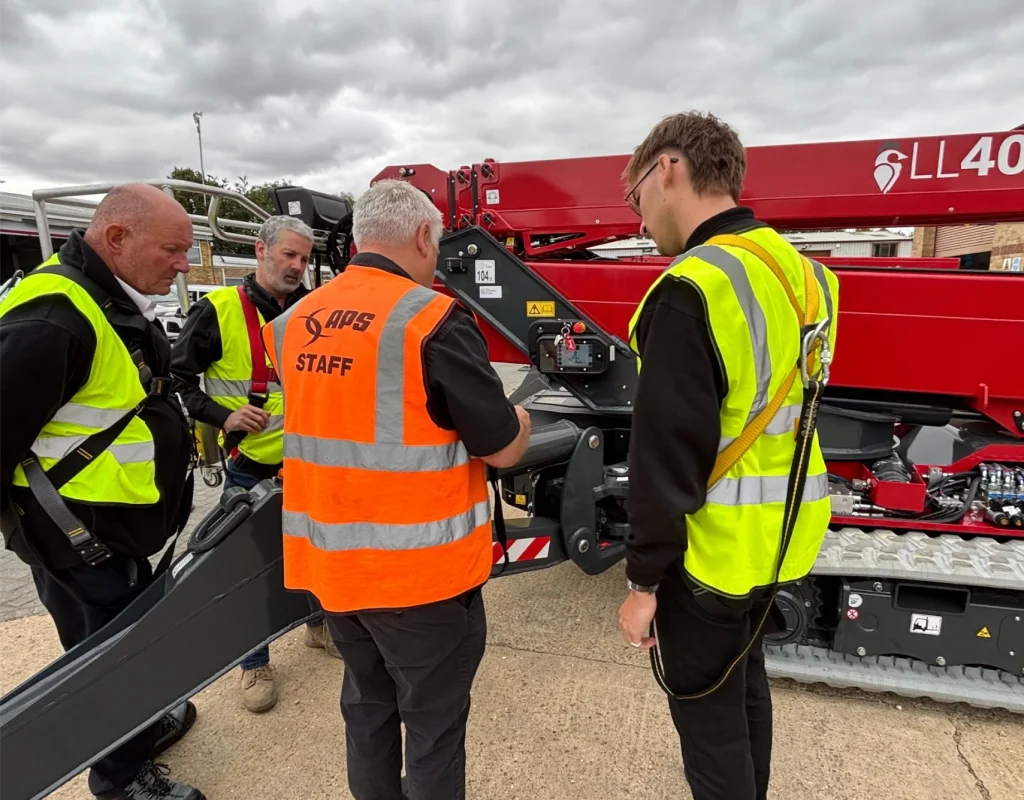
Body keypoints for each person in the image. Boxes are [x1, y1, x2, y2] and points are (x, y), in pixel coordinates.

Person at [261, 179, 532, 800]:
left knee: (367, 707)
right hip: (421, 580)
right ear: (422, 236)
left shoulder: (293, 322)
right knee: (434, 729)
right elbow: (501, 448)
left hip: (334, 570)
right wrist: (519, 420)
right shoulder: (431, 319)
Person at [615, 112, 840, 800]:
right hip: (781, 541)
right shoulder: (809, 277)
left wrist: (643, 586)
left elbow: (664, 459)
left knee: (710, 725)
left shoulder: (693, 287)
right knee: (745, 690)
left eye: (636, 195)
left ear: (668, 169)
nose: (639, 218)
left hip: (708, 555)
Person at [0, 183, 204, 800]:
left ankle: (132, 731)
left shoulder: (109, 296)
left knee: (112, 647)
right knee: (113, 660)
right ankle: (122, 778)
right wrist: (38, 535)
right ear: (117, 238)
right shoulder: (53, 317)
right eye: (173, 250)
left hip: (102, 531)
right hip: (76, 538)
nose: (184, 265)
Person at [170, 214, 340, 714]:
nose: (298, 266)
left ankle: (317, 626)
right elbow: (176, 381)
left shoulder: (316, 309)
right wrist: (223, 415)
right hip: (250, 467)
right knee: (248, 569)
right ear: (261, 250)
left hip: (309, 463)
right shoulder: (218, 311)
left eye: (304, 258)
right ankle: (253, 662)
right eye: (289, 255)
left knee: (315, 551)